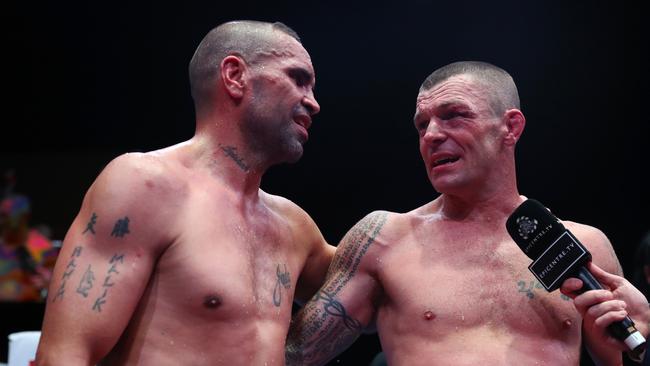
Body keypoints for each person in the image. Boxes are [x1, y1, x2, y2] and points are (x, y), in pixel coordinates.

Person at [286, 61, 650, 365]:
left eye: (453, 116)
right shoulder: (385, 239)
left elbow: (618, 360)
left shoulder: (583, 247)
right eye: (421, 124)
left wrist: (643, 335)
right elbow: (292, 357)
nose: (431, 134)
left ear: (511, 127)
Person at [35, 20, 334, 365]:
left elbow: (381, 278)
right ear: (235, 76)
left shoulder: (292, 228)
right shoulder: (144, 185)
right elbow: (64, 354)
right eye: (298, 79)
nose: (313, 103)